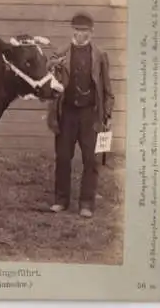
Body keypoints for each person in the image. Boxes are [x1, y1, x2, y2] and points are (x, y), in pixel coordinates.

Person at [46, 12, 115, 218]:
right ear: (72, 31)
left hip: (90, 114)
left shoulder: (100, 56)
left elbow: (108, 90)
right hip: (66, 113)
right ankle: (61, 201)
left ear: (91, 32)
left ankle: (86, 203)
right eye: (76, 30)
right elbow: (48, 73)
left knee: (90, 160)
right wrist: (53, 66)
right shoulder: (61, 53)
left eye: (84, 31)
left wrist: (107, 115)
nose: (79, 34)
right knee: (63, 158)